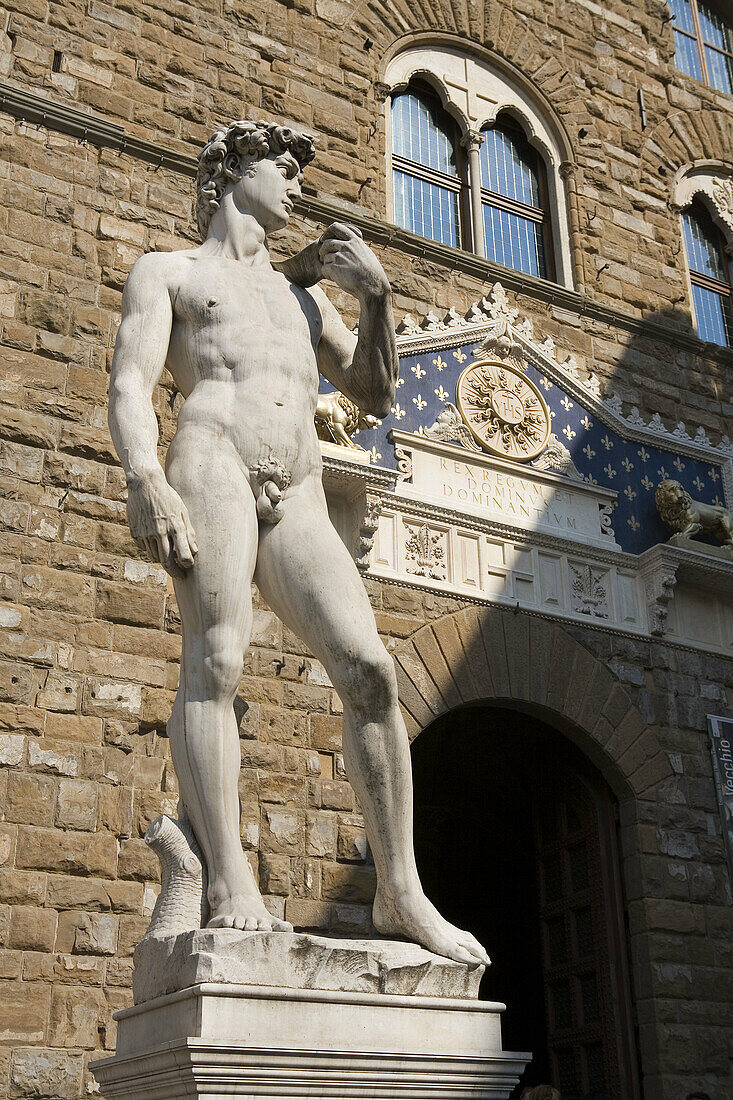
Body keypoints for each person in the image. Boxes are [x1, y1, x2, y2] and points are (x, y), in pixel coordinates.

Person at [107, 118, 489, 967]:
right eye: (283, 169)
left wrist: (377, 296)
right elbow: (131, 381)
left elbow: (373, 393)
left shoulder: (302, 297)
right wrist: (146, 477)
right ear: (233, 168)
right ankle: (228, 881)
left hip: (302, 486)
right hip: (212, 462)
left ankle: (399, 891)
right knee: (215, 663)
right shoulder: (168, 273)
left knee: (370, 671)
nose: (297, 188)